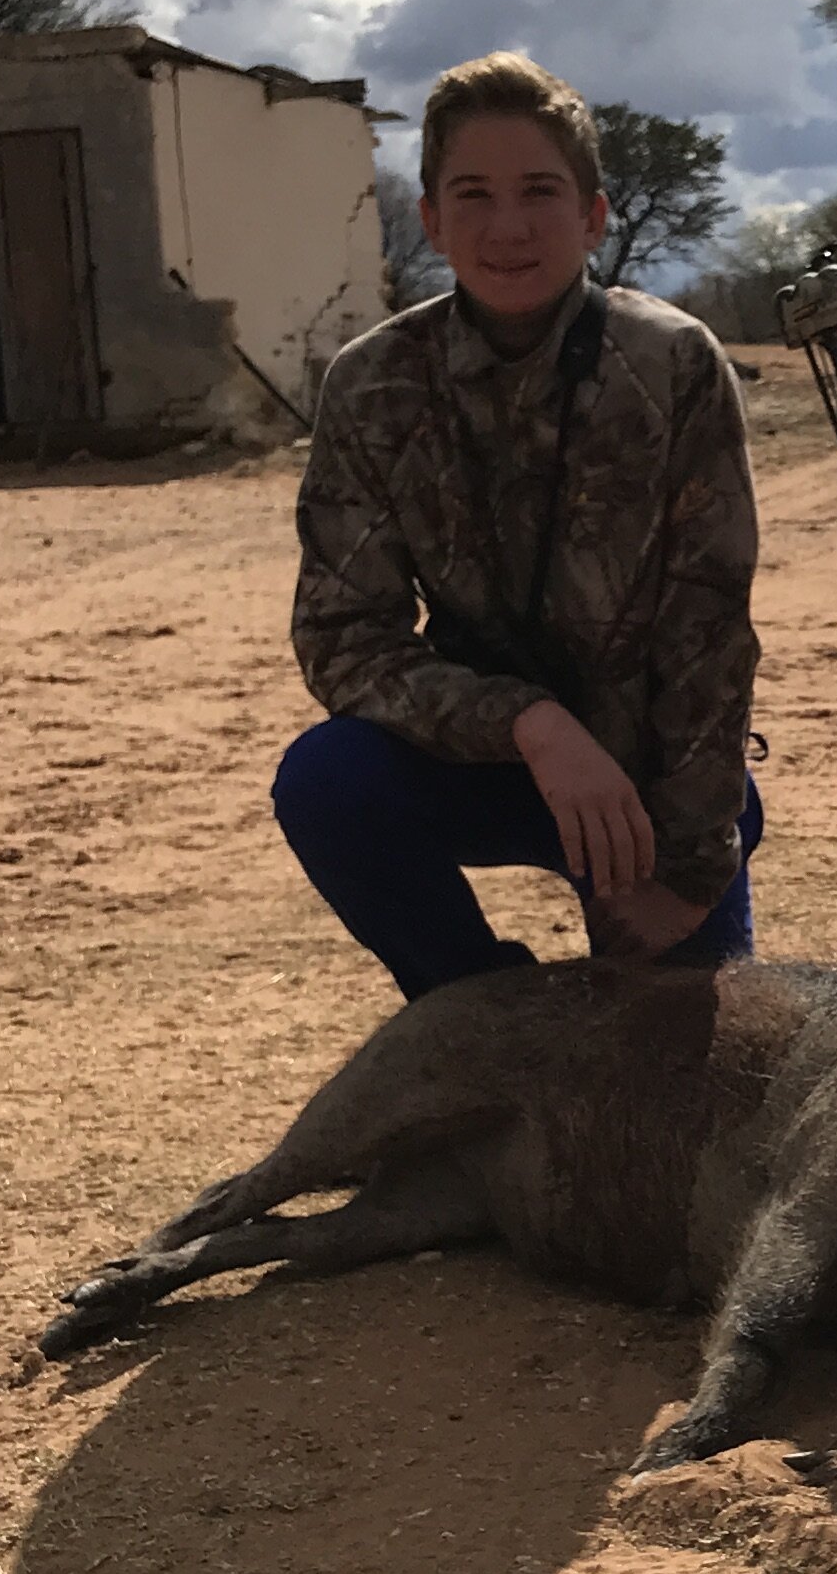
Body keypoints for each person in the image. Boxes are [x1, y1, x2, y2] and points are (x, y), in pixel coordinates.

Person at [276, 52, 761, 1002]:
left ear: (594, 215)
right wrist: (531, 725)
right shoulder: (372, 383)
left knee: (694, 1073)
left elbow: (709, 631)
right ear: (428, 219)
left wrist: (691, 869)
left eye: (540, 192)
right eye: (473, 195)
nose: (507, 228)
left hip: (658, 784)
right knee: (325, 781)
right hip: (480, 762)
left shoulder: (673, 365)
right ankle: (487, 1022)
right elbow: (343, 643)